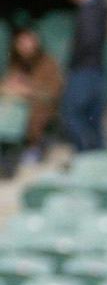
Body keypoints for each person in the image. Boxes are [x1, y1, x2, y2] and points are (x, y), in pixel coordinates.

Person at [57, 0, 104, 156]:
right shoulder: (96, 4)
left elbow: (88, 41)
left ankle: (86, 158)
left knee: (72, 114)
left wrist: (71, 66)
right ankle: (96, 160)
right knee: (91, 119)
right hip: (93, 70)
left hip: (85, 70)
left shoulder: (91, 7)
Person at [0, 28, 59, 178]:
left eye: (28, 41)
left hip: (38, 109)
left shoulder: (48, 63)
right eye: (21, 42)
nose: (25, 46)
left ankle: (26, 152)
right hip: (14, 112)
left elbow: (52, 93)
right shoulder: (17, 64)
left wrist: (29, 90)